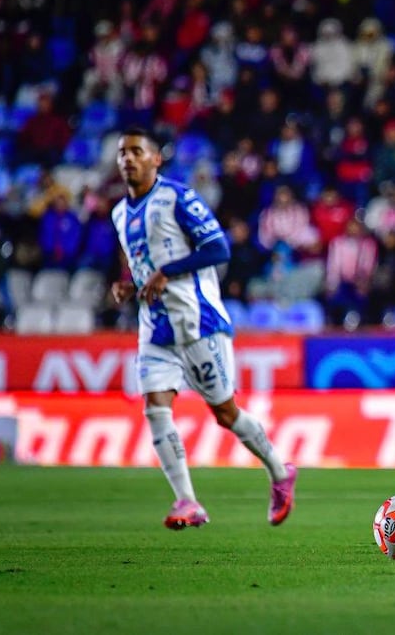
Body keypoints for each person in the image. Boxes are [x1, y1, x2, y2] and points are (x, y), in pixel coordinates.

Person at [108, 126, 297, 530]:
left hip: (198, 323)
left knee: (225, 413)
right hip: (155, 327)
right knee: (155, 408)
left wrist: (168, 272)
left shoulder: (177, 197)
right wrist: (132, 284)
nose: (128, 159)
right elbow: (144, 263)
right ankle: (187, 501)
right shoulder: (119, 212)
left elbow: (218, 249)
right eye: (122, 153)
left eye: (137, 151)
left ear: (156, 159)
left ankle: (280, 472)